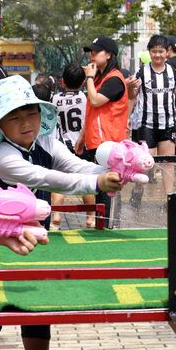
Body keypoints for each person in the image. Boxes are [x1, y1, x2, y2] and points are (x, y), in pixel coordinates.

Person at [0, 75, 121, 350]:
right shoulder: (3, 157)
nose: (26, 123)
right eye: (14, 118)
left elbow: (74, 165)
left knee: (39, 340)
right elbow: (50, 179)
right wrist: (97, 182)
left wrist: (113, 172)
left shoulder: (45, 141)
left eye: (31, 113)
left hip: (35, 253)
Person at [74, 36, 132, 226]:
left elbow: (96, 100)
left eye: (96, 51)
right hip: (97, 141)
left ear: (108, 55)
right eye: (91, 52)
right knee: (100, 185)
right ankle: (103, 224)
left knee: (107, 186)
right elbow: (92, 110)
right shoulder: (100, 77)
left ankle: (107, 224)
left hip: (109, 143)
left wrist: (89, 78)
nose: (92, 55)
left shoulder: (114, 79)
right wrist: (82, 136)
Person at [131, 34, 176, 193]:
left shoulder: (173, 72)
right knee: (145, 162)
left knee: (168, 162)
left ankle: (169, 197)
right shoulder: (141, 72)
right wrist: (127, 117)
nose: (157, 55)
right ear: (149, 52)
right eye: (154, 51)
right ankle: (137, 192)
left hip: (168, 123)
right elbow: (132, 96)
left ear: (167, 52)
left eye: (161, 51)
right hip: (146, 124)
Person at [50, 63, 94, 229]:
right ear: (83, 82)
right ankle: (90, 217)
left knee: (59, 181)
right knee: (86, 180)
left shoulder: (54, 99)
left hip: (62, 146)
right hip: (83, 145)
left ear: (63, 81)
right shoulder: (87, 98)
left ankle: (57, 215)